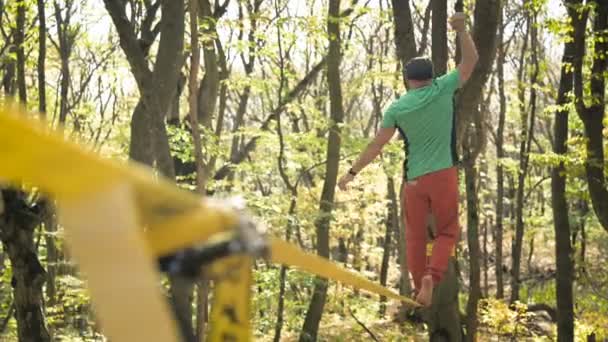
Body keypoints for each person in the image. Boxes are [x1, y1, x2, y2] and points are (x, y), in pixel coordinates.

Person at [337, 12, 479, 307]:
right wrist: (462, 30)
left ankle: (418, 286)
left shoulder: (398, 107)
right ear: (431, 76)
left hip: (413, 181)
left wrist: (351, 173)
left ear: (408, 80)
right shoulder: (442, 88)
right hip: (443, 175)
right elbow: (470, 62)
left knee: (415, 236)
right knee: (448, 230)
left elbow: (377, 145)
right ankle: (432, 276)